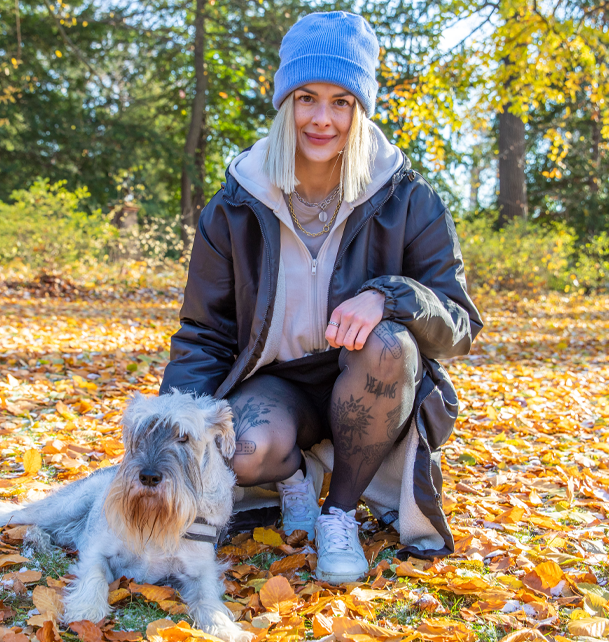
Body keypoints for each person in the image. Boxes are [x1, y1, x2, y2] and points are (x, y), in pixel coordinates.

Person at [159, 11, 482, 584]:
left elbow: (458, 322)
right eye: (307, 98)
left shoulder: (406, 199)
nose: (322, 119)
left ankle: (340, 514)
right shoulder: (235, 206)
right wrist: (166, 431)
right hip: (278, 383)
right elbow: (205, 331)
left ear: (361, 110)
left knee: (386, 343)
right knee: (243, 447)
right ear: (285, 102)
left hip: (368, 381)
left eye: (342, 102)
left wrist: (389, 296)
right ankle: (292, 483)